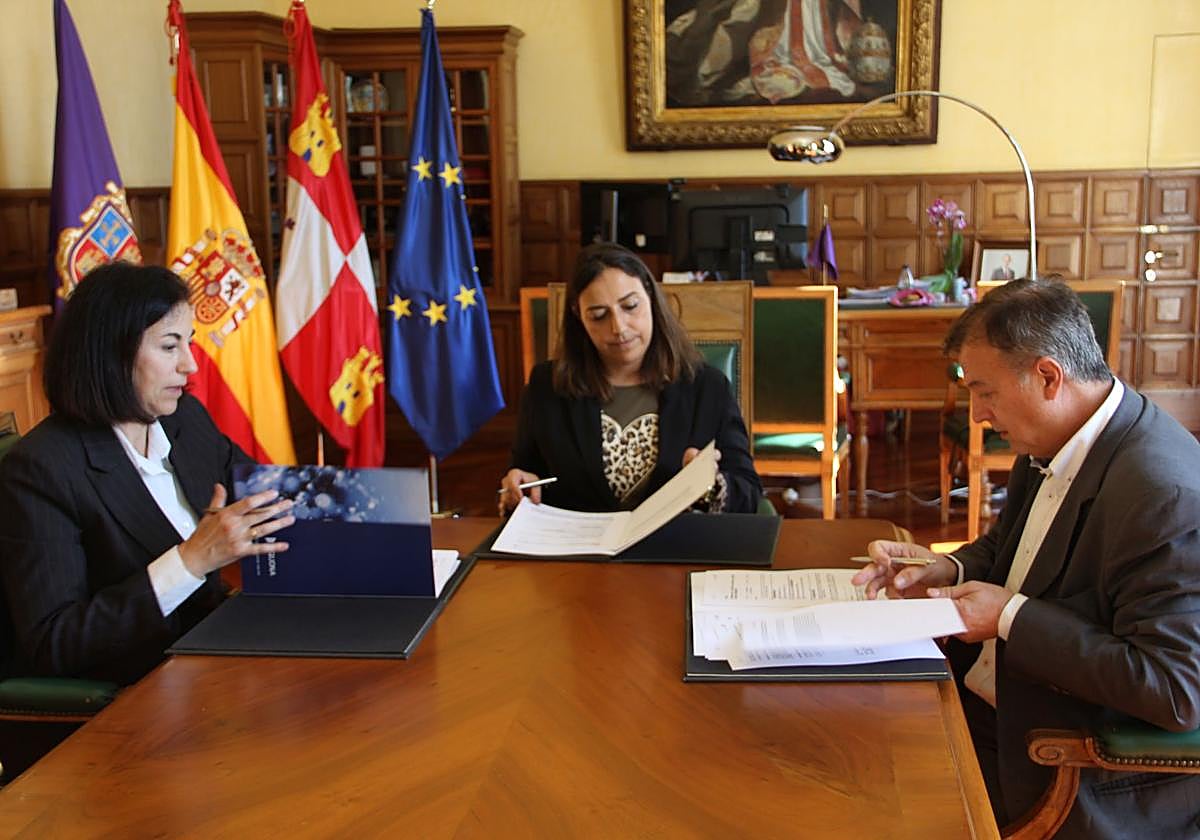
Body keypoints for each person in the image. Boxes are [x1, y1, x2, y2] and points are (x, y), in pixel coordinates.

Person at [852, 279, 1200, 838]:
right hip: (991, 698)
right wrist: (948, 568)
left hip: (1062, 762)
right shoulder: (1058, 436)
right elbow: (1013, 549)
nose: (978, 414)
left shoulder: (1163, 495)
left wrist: (1009, 617)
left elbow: (1175, 688)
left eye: (985, 393)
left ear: (1047, 376)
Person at [0, 263, 295, 685]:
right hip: (139, 692)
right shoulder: (40, 470)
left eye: (188, 344)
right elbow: (54, 640)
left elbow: (270, 497)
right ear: (110, 354)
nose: (190, 366)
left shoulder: (183, 419)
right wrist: (190, 561)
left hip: (220, 650)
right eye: (169, 346)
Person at [501, 243, 761, 515]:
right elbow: (525, 474)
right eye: (599, 316)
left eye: (630, 306)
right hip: (582, 552)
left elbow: (750, 495)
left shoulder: (707, 387)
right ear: (579, 317)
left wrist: (711, 486)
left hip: (676, 550)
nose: (619, 328)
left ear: (650, 298)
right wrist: (520, 487)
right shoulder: (547, 386)